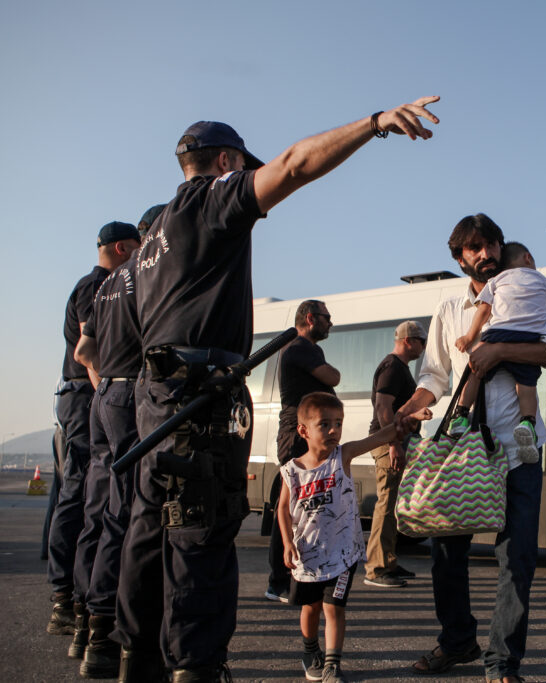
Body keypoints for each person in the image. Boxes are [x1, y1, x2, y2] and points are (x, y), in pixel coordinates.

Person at [113, 96, 440, 683]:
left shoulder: (153, 237)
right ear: (226, 160)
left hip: (154, 396)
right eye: (242, 167)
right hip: (199, 401)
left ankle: (135, 661)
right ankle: (197, 667)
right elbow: (293, 165)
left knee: (148, 529)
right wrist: (372, 124)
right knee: (201, 533)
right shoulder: (209, 201)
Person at [395, 213, 546, 683]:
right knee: (446, 553)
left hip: (519, 451)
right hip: (461, 449)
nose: (486, 253)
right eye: (474, 247)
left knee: (517, 557)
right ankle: (456, 641)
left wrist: (500, 352)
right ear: (460, 258)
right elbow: (435, 375)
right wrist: (410, 409)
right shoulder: (450, 310)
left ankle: (502, 662)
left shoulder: (533, 294)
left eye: (492, 244)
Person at [278, 392, 431, 682]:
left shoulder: (343, 455)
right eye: (325, 425)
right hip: (307, 557)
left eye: (338, 423)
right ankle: (311, 651)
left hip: (342, 555)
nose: (334, 430)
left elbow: (378, 438)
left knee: (334, 609)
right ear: (303, 430)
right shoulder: (291, 471)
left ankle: (333, 665)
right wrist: (287, 543)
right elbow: (283, 511)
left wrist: (408, 421)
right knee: (310, 609)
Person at [71, 209, 159, 677]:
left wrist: (107, 379)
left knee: (101, 509)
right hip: (129, 395)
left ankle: (88, 622)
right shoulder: (146, 274)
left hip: (104, 394)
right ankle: (107, 633)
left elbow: (84, 351)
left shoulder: (105, 284)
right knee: (129, 514)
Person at [46, 222, 139, 640]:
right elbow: (87, 352)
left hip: (85, 395)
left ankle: (76, 597)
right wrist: (108, 390)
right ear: (122, 248)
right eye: (138, 247)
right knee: (84, 494)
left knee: (85, 494)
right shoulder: (100, 285)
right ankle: (68, 597)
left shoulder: (102, 283)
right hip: (88, 392)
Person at [452, 242, 546, 462]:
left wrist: (469, 336)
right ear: (528, 257)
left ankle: (462, 414)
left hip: (497, 333)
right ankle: (527, 422)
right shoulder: (543, 281)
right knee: (526, 385)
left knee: (475, 371)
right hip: (529, 337)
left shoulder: (497, 280)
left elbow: (484, 309)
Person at [267, 299, 341, 603]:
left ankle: (296, 576)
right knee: (289, 504)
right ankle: (278, 581)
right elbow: (333, 377)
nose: (330, 323)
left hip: (303, 431)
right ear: (310, 318)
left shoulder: (305, 349)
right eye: (326, 317)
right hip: (297, 434)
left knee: (304, 505)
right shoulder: (300, 348)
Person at [363, 320, 427, 588]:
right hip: (387, 442)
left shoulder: (400, 368)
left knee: (395, 506)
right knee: (386, 505)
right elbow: (383, 407)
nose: (424, 347)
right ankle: (376, 569)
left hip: (397, 440)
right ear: (408, 341)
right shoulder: (392, 367)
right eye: (421, 341)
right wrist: (393, 443)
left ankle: (388, 561)